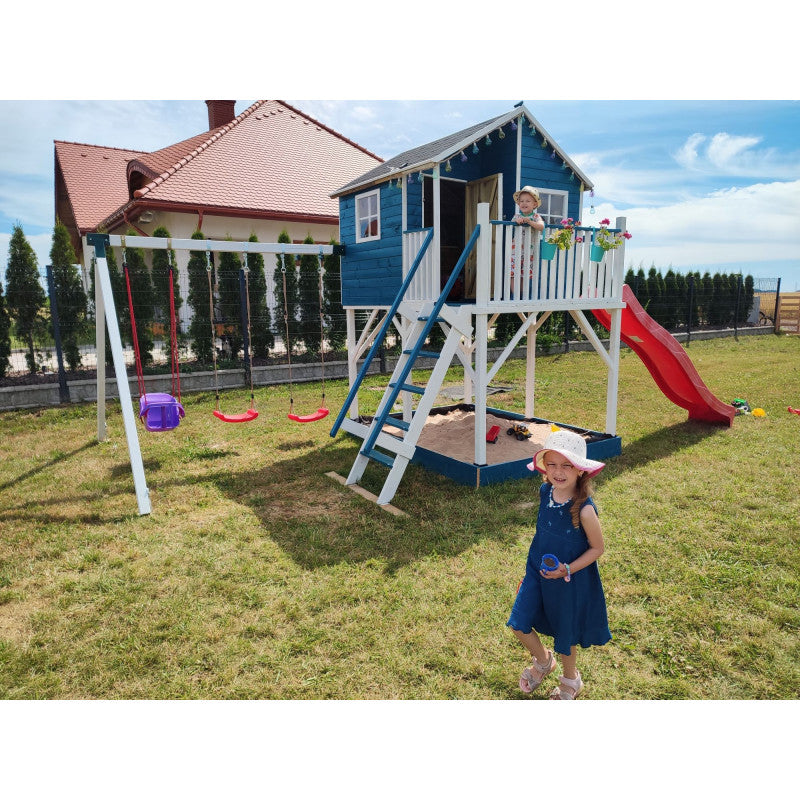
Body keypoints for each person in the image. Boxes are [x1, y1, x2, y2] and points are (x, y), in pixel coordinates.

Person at [507, 429, 611, 699]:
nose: (558, 471)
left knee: (565, 636)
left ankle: (570, 680)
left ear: (581, 471)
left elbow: (597, 549)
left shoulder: (585, 509)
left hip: (569, 581)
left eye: (567, 465)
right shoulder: (546, 492)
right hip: (537, 574)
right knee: (518, 622)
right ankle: (543, 661)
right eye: (551, 464)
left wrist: (567, 569)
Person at [509, 186, 545, 289]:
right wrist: (517, 221)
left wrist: (529, 222)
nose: (524, 203)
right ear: (519, 203)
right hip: (515, 251)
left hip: (529, 252)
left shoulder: (536, 217)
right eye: (522, 201)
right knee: (513, 273)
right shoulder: (517, 216)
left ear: (534, 204)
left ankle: (520, 297)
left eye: (528, 201)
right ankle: (514, 295)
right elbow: (511, 224)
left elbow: (541, 227)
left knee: (524, 275)